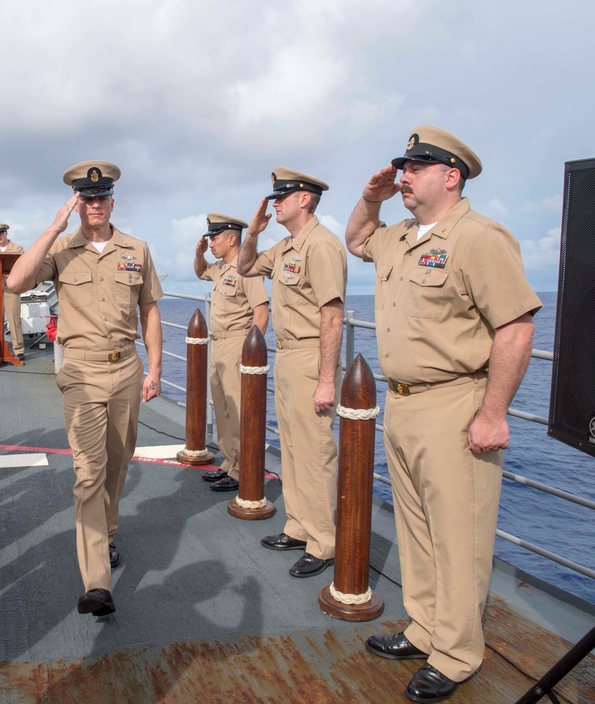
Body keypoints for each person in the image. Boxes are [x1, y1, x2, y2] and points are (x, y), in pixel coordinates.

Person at [344, 126, 541, 703]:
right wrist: (371, 196)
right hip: (402, 403)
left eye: (416, 167)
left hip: (456, 403)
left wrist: (494, 412)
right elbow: (357, 239)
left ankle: (456, 653)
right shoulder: (401, 236)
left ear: (450, 175)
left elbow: (516, 325)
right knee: (417, 530)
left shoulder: (479, 238)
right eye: (402, 166)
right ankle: (425, 628)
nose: (403, 175)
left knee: (459, 534)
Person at [7, 161, 163, 618]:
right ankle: (97, 581)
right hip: (80, 373)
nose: (95, 205)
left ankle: (106, 533)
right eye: (86, 199)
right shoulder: (61, 249)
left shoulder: (137, 249)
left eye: (102, 198)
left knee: (116, 464)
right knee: (88, 472)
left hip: (127, 372)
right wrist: (55, 225)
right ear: (78, 204)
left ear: (113, 201)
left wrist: (154, 369)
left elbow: (150, 310)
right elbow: (16, 281)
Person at [237, 167, 346, 579]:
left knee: (315, 451)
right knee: (293, 448)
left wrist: (325, 379)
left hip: (309, 356)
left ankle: (323, 542)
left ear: (305, 199)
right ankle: (299, 526)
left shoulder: (322, 246)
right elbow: (246, 267)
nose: (274, 202)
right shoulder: (285, 247)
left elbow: (331, 315)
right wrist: (253, 232)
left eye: (281, 196)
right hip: (285, 356)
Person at [194, 213, 269, 492]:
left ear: (231, 239)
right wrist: (199, 253)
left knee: (239, 411)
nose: (211, 243)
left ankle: (242, 469)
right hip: (218, 344)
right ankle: (230, 462)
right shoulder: (221, 268)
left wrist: (251, 352)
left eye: (214, 238)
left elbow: (261, 311)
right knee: (224, 408)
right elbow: (200, 272)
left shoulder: (245, 269)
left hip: (238, 344)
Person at [0, 223, 26, 361]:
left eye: (0, 234)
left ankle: (18, 349)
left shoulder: (17, 249)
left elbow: (23, 266)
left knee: (14, 318)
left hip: (11, 287)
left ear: (6, 234)